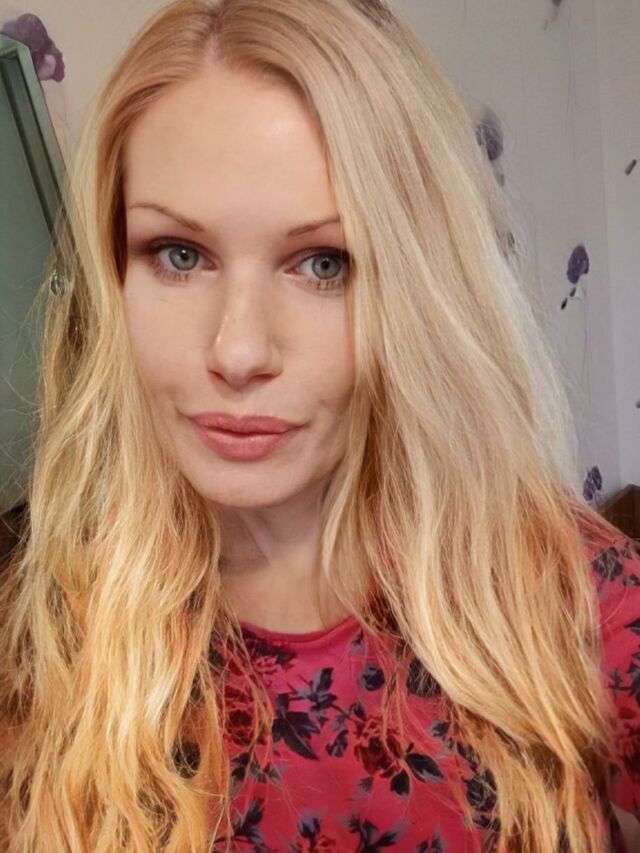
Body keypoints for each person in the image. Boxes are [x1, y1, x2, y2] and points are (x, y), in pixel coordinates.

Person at [0, 0, 638, 850]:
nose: (237, 351)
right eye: (178, 254)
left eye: (322, 263)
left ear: (418, 292)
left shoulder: (567, 593)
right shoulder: (43, 647)